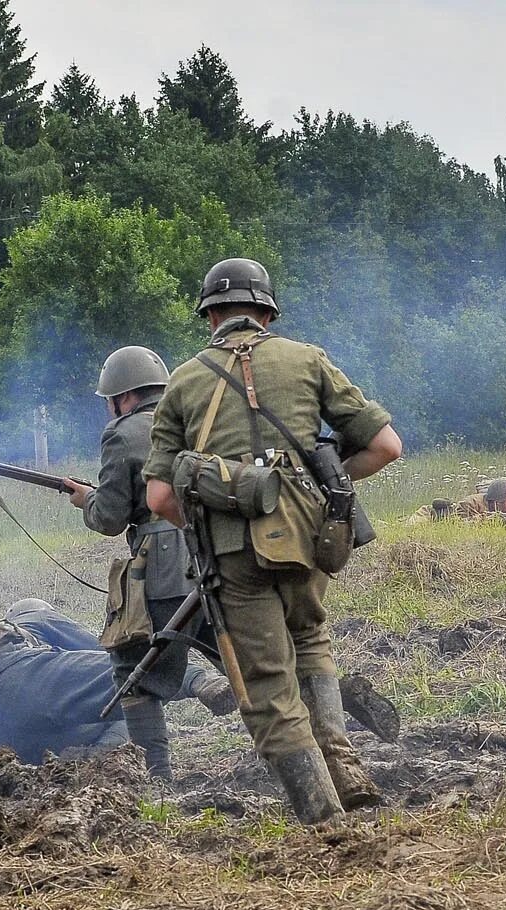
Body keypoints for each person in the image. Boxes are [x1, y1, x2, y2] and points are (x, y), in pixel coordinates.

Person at [143, 257, 404, 823]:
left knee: (267, 679)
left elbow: (160, 500)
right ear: (265, 311)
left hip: (232, 552)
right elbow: (386, 446)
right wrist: (312, 488)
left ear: (210, 314)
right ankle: (344, 767)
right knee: (309, 639)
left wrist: (216, 519)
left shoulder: (183, 382)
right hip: (310, 540)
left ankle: (322, 814)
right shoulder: (309, 361)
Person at [62, 346, 193, 781]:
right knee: (248, 662)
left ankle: (157, 780)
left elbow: (110, 516)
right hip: (219, 559)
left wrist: (87, 499)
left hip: (165, 571)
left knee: (133, 670)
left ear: (123, 397)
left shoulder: (123, 433)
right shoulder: (193, 419)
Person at [0, 599, 236, 769]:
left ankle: (90, 760)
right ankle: (201, 680)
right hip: (15, 683)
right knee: (131, 674)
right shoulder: (35, 620)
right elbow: (107, 654)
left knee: (128, 712)